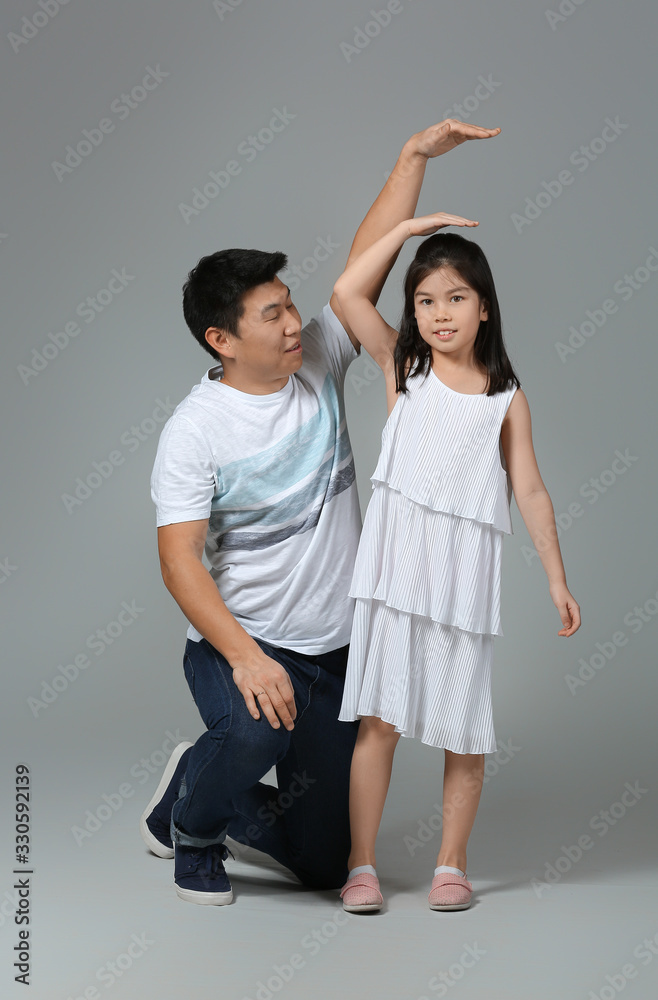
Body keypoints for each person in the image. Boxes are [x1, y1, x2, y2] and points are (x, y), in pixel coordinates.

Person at [139, 119, 503, 905]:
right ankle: (193, 831)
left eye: (289, 304)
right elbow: (178, 560)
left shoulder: (318, 363)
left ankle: (190, 784)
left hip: (339, 654)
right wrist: (244, 656)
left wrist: (411, 160)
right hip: (246, 642)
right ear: (222, 340)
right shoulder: (193, 432)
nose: (292, 322)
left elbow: (359, 273)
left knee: (328, 863)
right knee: (253, 731)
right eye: (269, 315)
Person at [332, 214, 581, 913]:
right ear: (412, 311)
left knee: (462, 728)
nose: (441, 314)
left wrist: (557, 578)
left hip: (463, 579)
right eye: (425, 300)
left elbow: (528, 488)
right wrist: (410, 227)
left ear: (485, 306)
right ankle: (363, 866)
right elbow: (349, 293)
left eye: (457, 297)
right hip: (395, 575)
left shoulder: (506, 398)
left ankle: (452, 864)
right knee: (379, 721)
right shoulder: (404, 368)